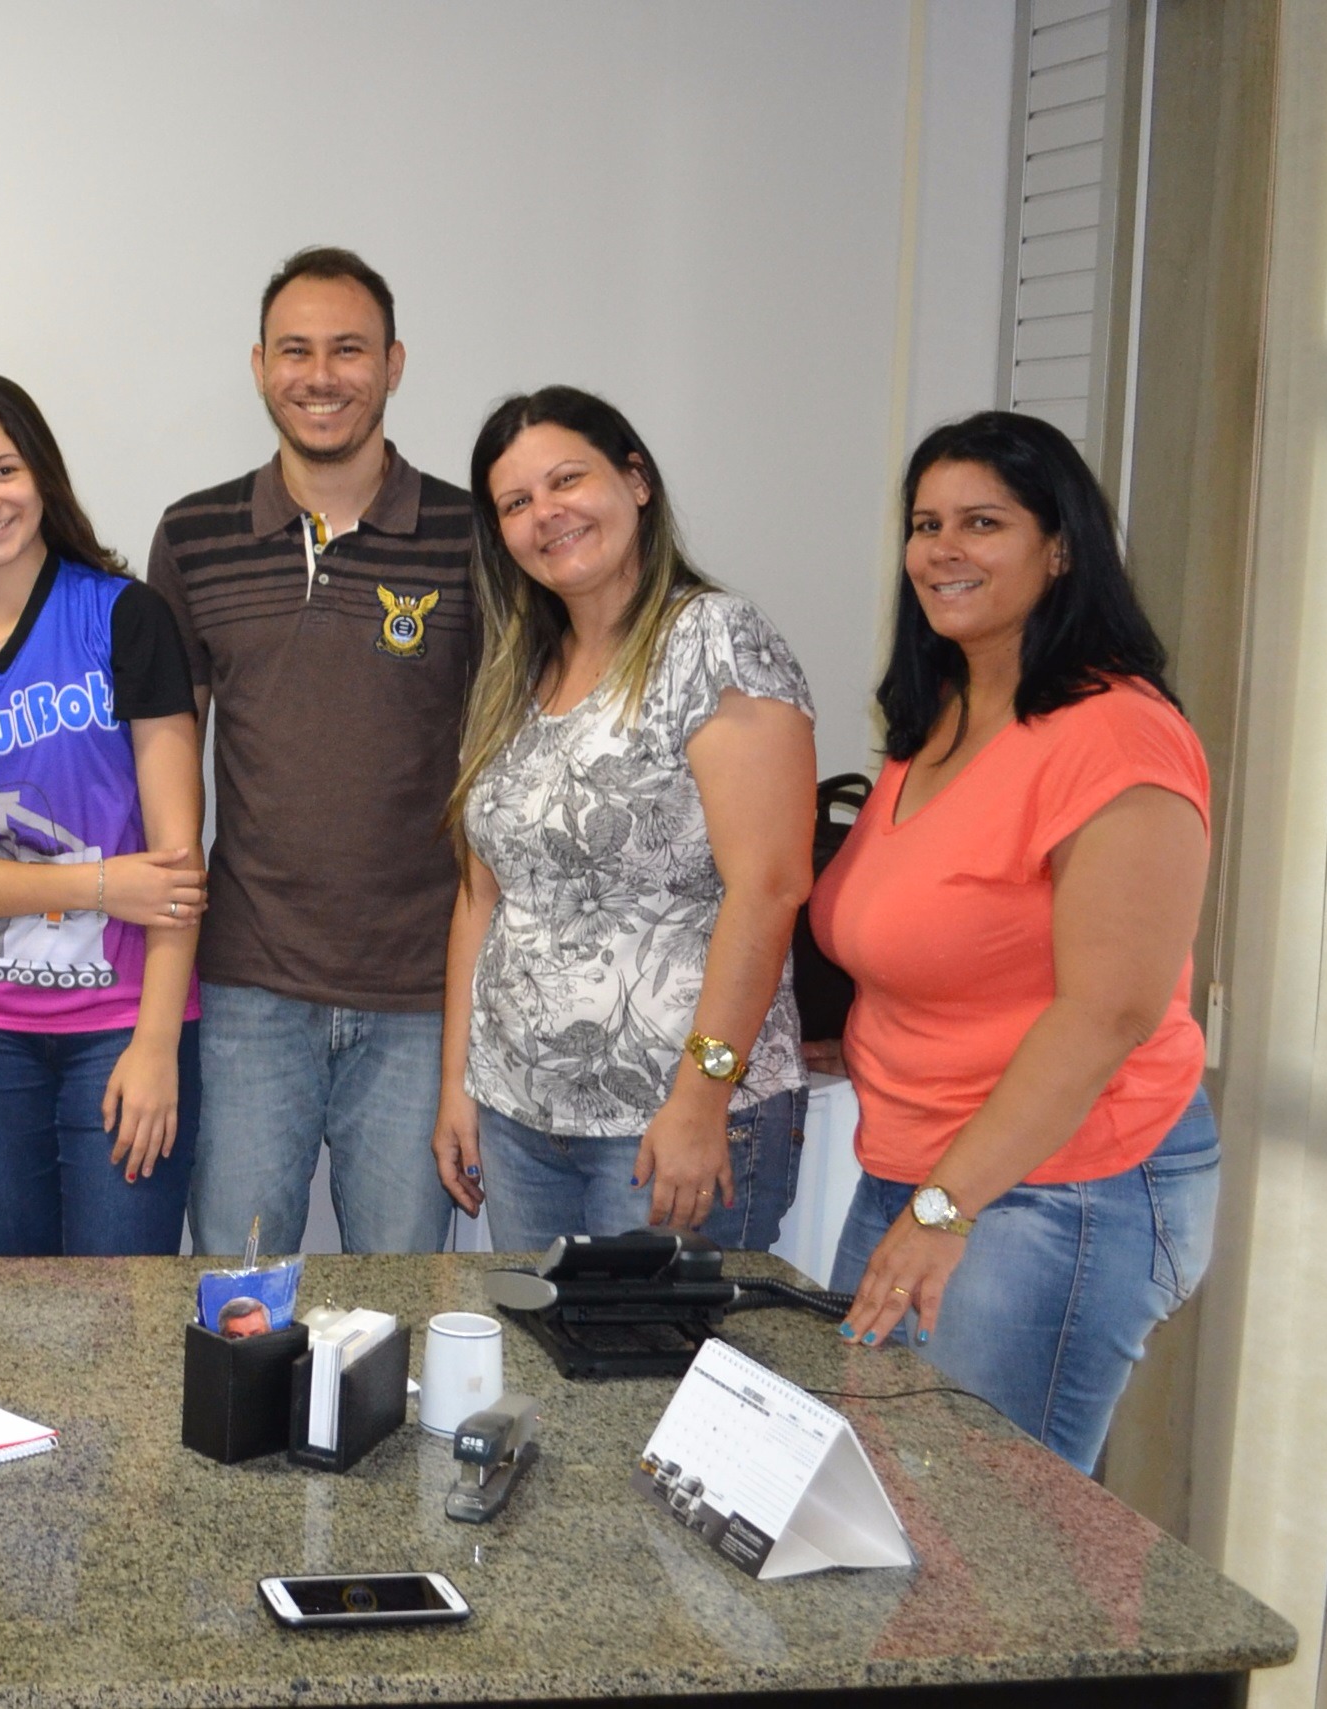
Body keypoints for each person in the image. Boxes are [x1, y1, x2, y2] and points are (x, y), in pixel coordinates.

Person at [814, 410, 1216, 1473]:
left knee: (995, 1553)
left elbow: (1111, 1010)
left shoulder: (1117, 732)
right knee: (884, 1506)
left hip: (1052, 1185)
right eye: (926, 521)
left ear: (1061, 545)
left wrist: (948, 1204)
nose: (942, 548)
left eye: (982, 521)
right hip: (918, 1163)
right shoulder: (944, 711)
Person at [431, 388, 817, 1254]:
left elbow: (771, 883)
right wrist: (458, 1083)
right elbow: (480, 896)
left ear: (635, 480)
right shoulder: (516, 672)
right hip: (520, 1119)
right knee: (551, 1382)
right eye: (516, 503)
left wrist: (701, 1098)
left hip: (665, 1123)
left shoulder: (714, 639)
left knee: (659, 1385)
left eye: (567, 479)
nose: (546, 515)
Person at [146, 246, 474, 1256]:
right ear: (259, 366)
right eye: (296, 349)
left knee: (405, 1308)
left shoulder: (474, 537)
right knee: (240, 1300)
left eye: (348, 349)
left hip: (420, 996)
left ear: (395, 363)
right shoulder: (194, 534)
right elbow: (163, 765)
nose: (321, 374)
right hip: (250, 988)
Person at [0, 373, 207, 1256]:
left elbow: (175, 872)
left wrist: (158, 1045)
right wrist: (102, 881)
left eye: (4, 470)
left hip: (123, 1027)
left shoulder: (125, 619)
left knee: (118, 1317)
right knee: (0, 1320)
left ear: (42, 477)